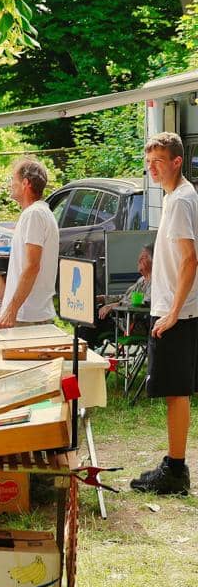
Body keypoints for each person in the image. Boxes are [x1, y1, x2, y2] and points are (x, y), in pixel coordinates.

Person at [132, 133, 198, 495]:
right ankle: (174, 465)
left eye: (159, 160)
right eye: (148, 161)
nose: (152, 167)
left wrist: (173, 312)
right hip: (180, 310)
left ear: (176, 161)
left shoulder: (182, 201)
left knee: (176, 392)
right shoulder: (178, 198)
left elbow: (190, 260)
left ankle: (175, 471)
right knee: (177, 392)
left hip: (180, 313)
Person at [0, 158, 58, 329]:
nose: (10, 184)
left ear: (25, 183)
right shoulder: (38, 213)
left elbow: (32, 266)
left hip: (28, 315)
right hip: (30, 313)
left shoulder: (34, 214)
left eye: (13, 180)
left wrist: (11, 309)